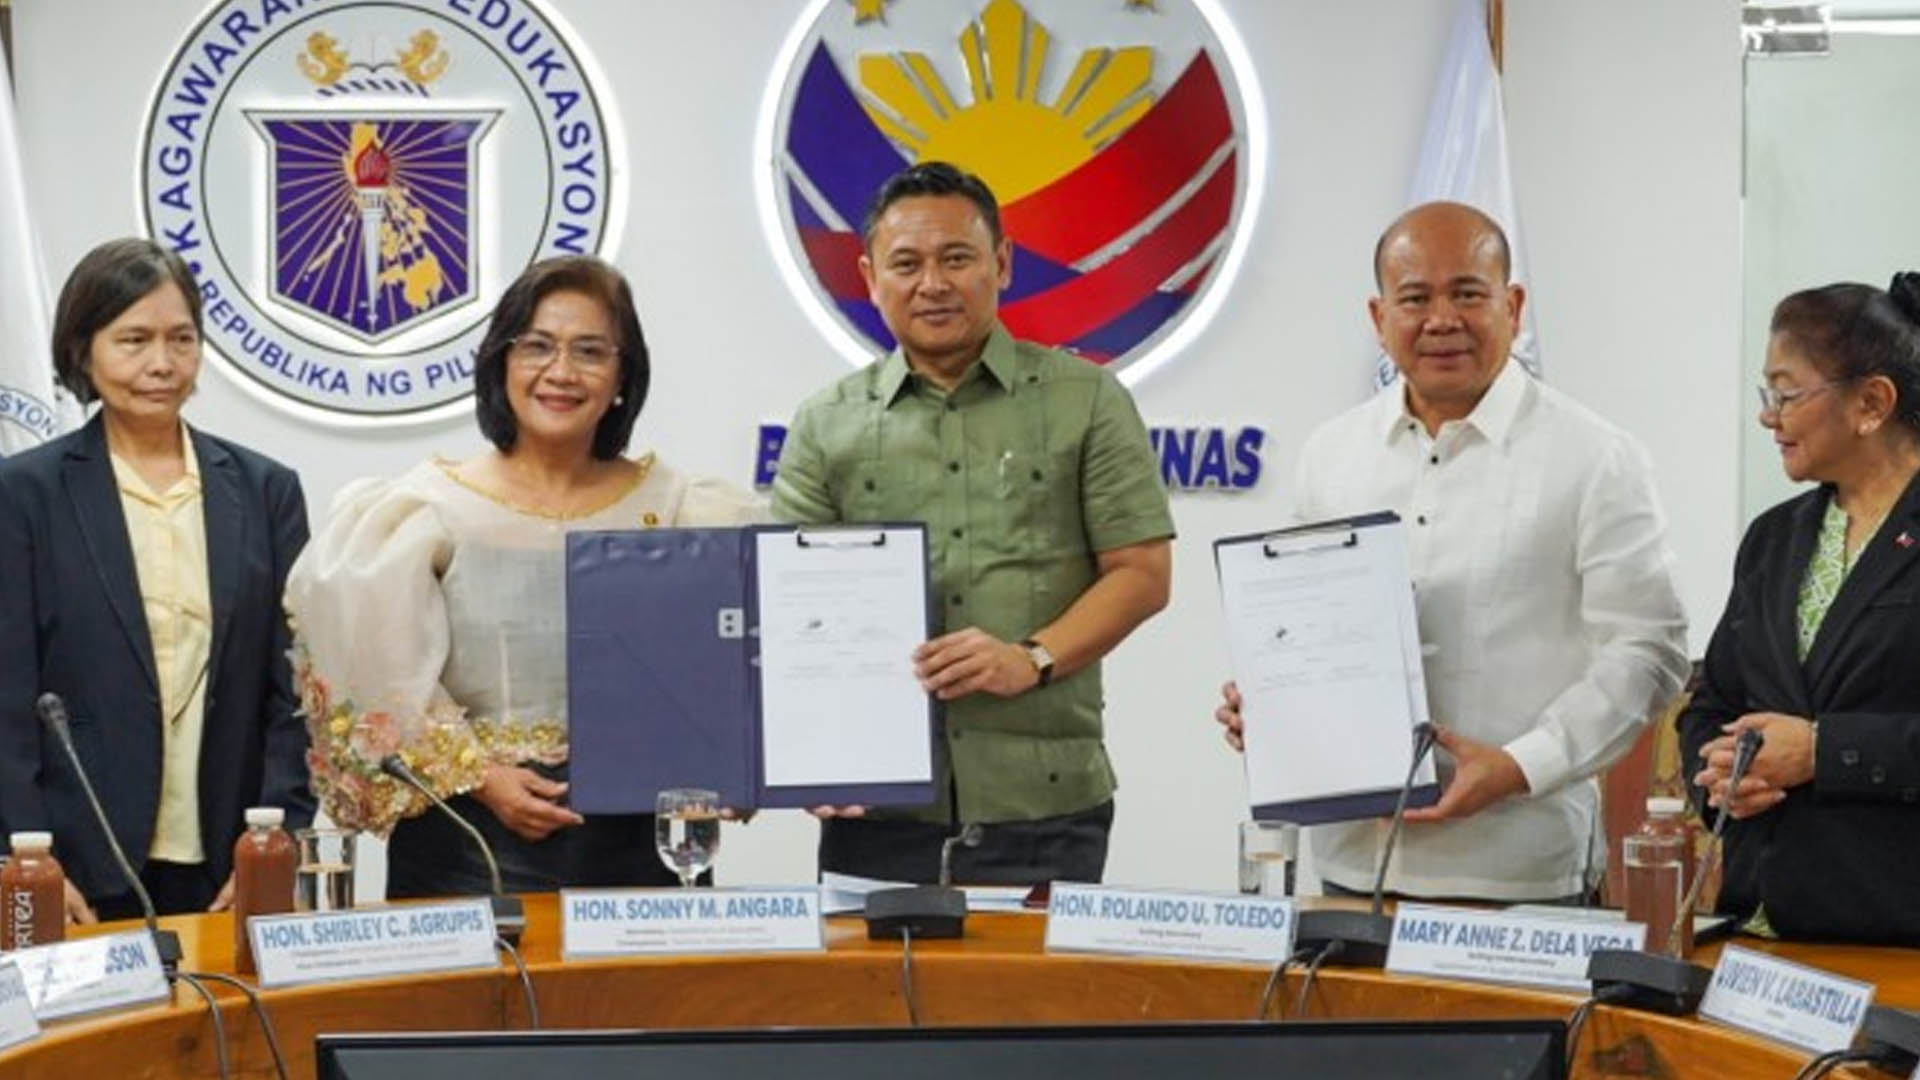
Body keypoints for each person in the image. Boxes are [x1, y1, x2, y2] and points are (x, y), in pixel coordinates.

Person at [1215, 201, 1688, 902]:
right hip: (1351, 868)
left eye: (1468, 294)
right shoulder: (1331, 454)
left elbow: (1649, 651)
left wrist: (1522, 766)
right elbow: (1303, 627)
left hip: (1520, 873)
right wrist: (1272, 699)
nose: (1441, 320)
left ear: (1513, 306)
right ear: (1379, 317)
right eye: (1415, 298)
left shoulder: (1594, 457)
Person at [284, 255, 759, 897]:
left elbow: (737, 664)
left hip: (644, 848)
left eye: (589, 351)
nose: (561, 372)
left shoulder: (683, 507)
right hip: (469, 844)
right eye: (537, 346)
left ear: (623, 376)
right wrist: (481, 777)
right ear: (500, 362)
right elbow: (373, 670)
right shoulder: (429, 507)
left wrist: (730, 762)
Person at [772, 161, 1174, 886]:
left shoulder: (1088, 400)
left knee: (1040, 974)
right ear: (869, 278)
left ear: (1003, 263)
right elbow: (789, 609)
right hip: (876, 811)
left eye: (956, 258)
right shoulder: (824, 423)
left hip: (1047, 804)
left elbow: (1142, 575)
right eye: (906, 264)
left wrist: (1031, 658)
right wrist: (811, 754)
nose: (933, 283)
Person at [0, 238, 314, 920]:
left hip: (229, 860)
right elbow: (8, 695)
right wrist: (25, 860)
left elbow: (294, 689)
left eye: (181, 338)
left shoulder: (266, 491)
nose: (162, 364)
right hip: (73, 864)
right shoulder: (24, 493)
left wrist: (280, 838)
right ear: (83, 350)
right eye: (134, 340)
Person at [1680, 275, 1920, 945]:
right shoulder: (1773, 537)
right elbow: (1711, 704)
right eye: (1768, 394)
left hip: (1894, 933)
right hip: (1759, 926)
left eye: (1787, 394)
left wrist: (1823, 751)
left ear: (1872, 402)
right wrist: (1720, 778)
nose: (1768, 416)